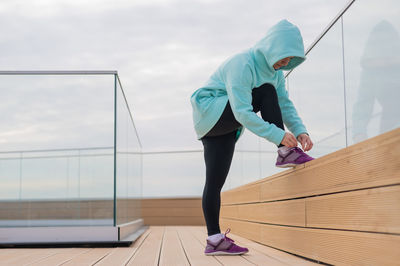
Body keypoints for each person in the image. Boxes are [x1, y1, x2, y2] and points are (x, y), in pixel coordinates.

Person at [190, 19, 314, 256]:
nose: (285, 62)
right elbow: (242, 112)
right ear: (273, 46)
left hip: (223, 125)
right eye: (283, 56)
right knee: (266, 91)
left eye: (290, 59)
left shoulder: (276, 73)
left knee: (214, 182)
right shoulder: (242, 63)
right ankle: (285, 151)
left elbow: (284, 104)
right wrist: (279, 136)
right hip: (210, 111)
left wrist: (301, 131)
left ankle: (214, 240)